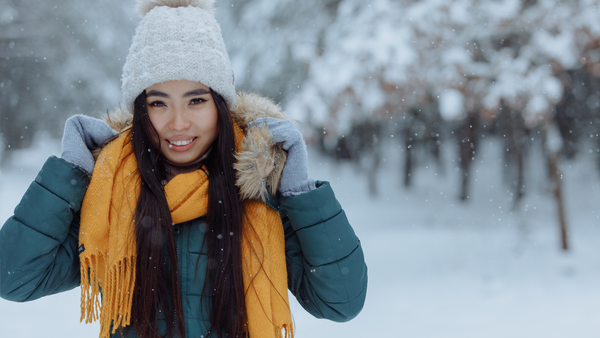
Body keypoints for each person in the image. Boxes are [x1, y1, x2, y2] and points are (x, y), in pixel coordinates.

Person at [0, 1, 368, 337]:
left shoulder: (259, 194)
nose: (178, 123)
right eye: (159, 103)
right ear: (141, 112)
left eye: (196, 100)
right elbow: (14, 277)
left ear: (221, 103)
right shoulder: (111, 194)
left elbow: (338, 301)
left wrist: (298, 193)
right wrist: (71, 173)